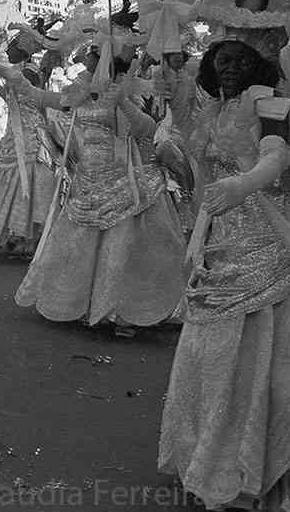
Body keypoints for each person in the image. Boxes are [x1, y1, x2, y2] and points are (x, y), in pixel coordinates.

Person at [159, 40, 290, 512]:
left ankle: (266, 472)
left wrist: (242, 185)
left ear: (258, 63)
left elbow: (277, 156)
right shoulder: (213, 109)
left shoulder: (269, 100)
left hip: (268, 240)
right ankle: (212, 460)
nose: (233, 69)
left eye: (242, 60)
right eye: (223, 61)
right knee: (212, 355)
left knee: (270, 357)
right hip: (220, 243)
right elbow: (193, 161)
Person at [13, 44, 186, 331]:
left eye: (92, 55)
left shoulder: (129, 90)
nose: (86, 60)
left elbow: (147, 130)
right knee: (80, 242)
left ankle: (116, 309)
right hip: (87, 179)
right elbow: (39, 96)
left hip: (121, 181)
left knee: (118, 246)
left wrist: (121, 102)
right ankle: (81, 303)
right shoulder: (79, 93)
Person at [0, 38, 60, 258]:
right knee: (14, 177)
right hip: (16, 131)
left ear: (23, 50)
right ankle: (17, 235)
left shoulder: (29, 72)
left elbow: (22, 88)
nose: (7, 50)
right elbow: (16, 100)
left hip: (29, 134)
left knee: (27, 179)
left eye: (12, 47)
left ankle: (26, 237)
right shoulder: (23, 71)